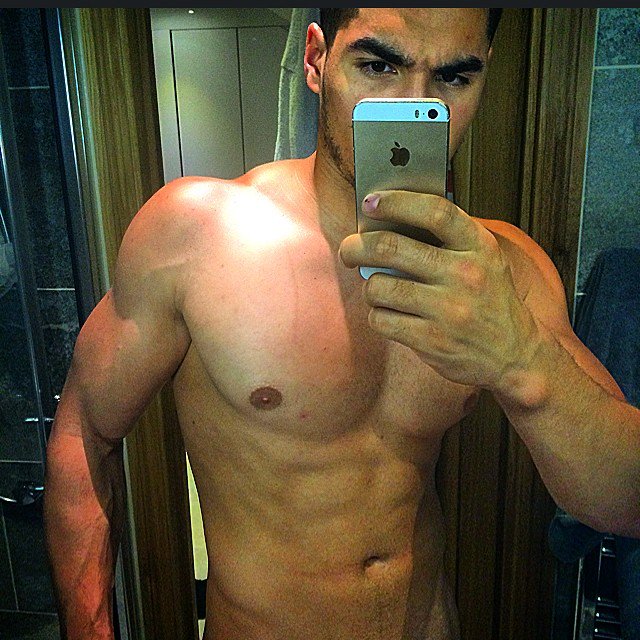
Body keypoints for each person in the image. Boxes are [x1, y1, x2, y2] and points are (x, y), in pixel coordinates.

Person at [43, 8, 640, 640]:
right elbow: (84, 435)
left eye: (454, 77)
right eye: (378, 66)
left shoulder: (500, 270)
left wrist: (523, 361)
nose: (411, 106)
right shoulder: (197, 235)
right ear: (316, 60)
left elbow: (623, 502)